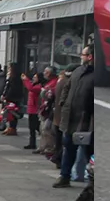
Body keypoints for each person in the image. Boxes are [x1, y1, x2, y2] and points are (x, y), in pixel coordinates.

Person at [54, 45, 95, 188]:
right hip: (70, 119)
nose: (81, 56)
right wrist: (63, 102)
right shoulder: (77, 71)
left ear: (90, 57)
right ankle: (64, 176)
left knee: (89, 153)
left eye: (83, 54)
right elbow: (67, 87)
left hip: (86, 121)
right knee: (68, 149)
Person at [0, 62, 25, 134]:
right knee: (8, 113)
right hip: (9, 97)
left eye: (10, 68)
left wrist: (6, 96)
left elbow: (12, 88)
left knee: (13, 113)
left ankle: (13, 128)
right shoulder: (10, 76)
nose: (9, 69)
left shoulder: (16, 77)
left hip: (14, 98)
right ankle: (10, 127)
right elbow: (6, 86)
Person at [24, 70, 45, 150]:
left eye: (35, 77)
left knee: (35, 126)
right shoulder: (34, 85)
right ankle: (32, 143)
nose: (33, 78)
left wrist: (26, 79)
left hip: (35, 109)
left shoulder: (38, 86)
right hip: (31, 108)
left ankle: (37, 143)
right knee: (31, 128)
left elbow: (30, 88)